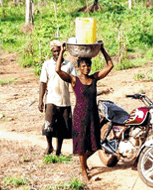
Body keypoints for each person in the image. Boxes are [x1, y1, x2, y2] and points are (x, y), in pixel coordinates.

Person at [54, 45, 118, 182]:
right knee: (81, 143)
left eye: (88, 66)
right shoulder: (74, 80)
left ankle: (83, 162)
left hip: (93, 115)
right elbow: (58, 70)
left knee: (95, 144)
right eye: (83, 66)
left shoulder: (94, 78)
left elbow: (110, 65)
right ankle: (84, 171)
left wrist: (102, 49)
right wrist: (62, 51)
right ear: (78, 67)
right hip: (80, 116)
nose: (86, 68)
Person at [36, 40, 73, 156]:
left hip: (64, 99)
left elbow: (74, 81)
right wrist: (40, 100)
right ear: (51, 52)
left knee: (62, 127)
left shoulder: (69, 65)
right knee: (48, 125)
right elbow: (43, 83)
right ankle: (49, 146)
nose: (57, 54)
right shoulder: (47, 65)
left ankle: (58, 150)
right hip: (51, 99)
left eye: (59, 51)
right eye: (55, 51)